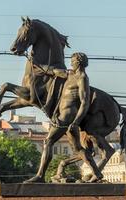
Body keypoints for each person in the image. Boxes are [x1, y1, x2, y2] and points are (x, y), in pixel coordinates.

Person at [26, 52, 103, 183]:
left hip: (68, 117)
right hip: (64, 116)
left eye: (72, 61)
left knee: (48, 141)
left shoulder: (82, 78)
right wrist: (36, 63)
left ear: (78, 62)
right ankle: (97, 173)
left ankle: (40, 176)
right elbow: (54, 72)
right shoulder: (70, 74)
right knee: (78, 148)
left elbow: (84, 102)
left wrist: (76, 122)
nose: (70, 63)